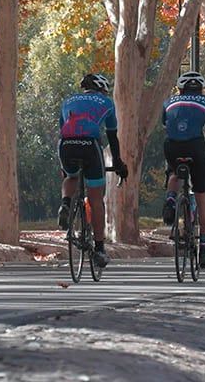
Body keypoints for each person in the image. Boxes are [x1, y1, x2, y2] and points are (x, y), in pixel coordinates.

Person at [58, 73, 129, 268]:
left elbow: (62, 130)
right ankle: (99, 249)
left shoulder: (68, 101)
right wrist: (118, 163)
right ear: (102, 89)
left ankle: (65, 204)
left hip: (66, 145)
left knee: (70, 176)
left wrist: (63, 167)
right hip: (90, 145)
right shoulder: (106, 103)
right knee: (96, 199)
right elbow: (112, 137)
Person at [161, 71, 205, 269]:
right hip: (196, 147)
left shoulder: (168, 102)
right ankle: (203, 248)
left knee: (175, 172)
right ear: (201, 89)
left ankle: (170, 200)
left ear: (180, 88)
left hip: (172, 146)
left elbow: (167, 128)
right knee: (202, 196)